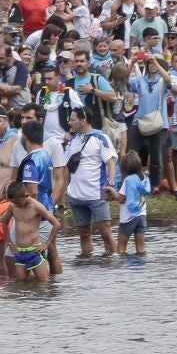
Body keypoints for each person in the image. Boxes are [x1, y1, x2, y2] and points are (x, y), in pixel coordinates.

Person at [60, 106, 119, 259]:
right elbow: (66, 168)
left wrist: (110, 185)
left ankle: (114, 267)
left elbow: (110, 163)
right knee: (84, 234)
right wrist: (66, 190)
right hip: (76, 196)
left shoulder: (100, 138)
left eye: (73, 119)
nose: (69, 122)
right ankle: (86, 263)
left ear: (83, 120)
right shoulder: (72, 141)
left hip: (97, 195)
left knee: (106, 233)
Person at [3, 182, 58, 284]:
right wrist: (10, 243)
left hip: (34, 252)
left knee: (44, 284)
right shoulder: (13, 206)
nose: (17, 205)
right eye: (14, 203)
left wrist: (47, 243)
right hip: (20, 252)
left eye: (18, 203)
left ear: (26, 195)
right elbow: (4, 222)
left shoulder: (37, 206)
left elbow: (56, 224)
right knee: (21, 284)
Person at [116, 151, 151, 257]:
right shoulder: (144, 178)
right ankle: (141, 268)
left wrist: (112, 194)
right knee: (141, 248)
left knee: (121, 248)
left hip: (129, 218)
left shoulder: (128, 180)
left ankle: (122, 270)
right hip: (141, 216)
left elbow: (121, 199)